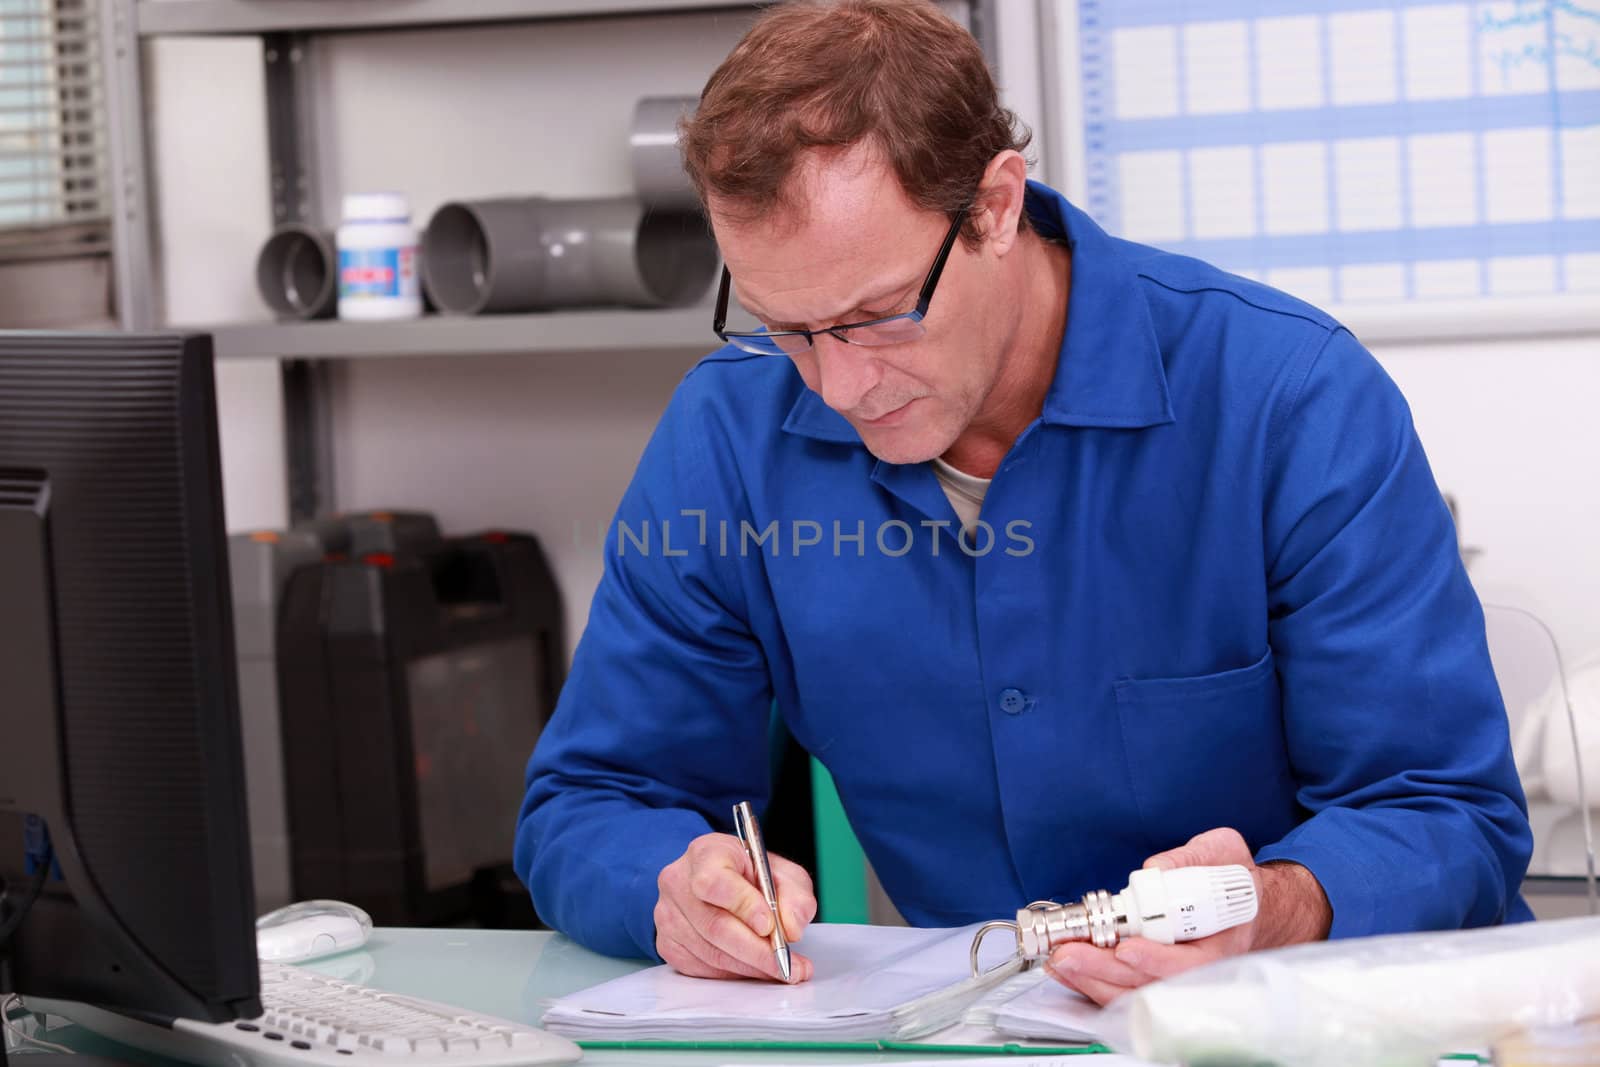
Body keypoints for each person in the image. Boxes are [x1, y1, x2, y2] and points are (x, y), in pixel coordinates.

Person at [515, 0, 1533, 1006]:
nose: (837, 386)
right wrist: (670, 888)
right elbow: (593, 800)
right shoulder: (728, 435)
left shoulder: (1287, 398)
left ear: (997, 205)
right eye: (785, 325)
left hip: (1316, 1023)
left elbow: (1447, 813)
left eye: (876, 318)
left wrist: (1277, 906)